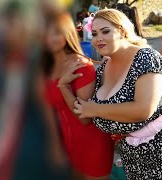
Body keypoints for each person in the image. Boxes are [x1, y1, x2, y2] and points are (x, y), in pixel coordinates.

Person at [73, 9, 162, 179]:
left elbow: (143, 109)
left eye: (106, 31)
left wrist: (94, 109)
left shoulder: (147, 58)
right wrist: (64, 84)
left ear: (123, 31)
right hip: (135, 158)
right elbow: (84, 109)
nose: (98, 38)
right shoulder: (105, 65)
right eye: (94, 34)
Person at [38, 11, 114, 180]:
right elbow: (47, 109)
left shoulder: (80, 65)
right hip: (67, 141)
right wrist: (54, 144)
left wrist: (63, 85)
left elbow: (85, 118)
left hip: (93, 142)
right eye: (46, 32)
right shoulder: (45, 68)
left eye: (56, 32)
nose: (50, 38)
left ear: (67, 33)